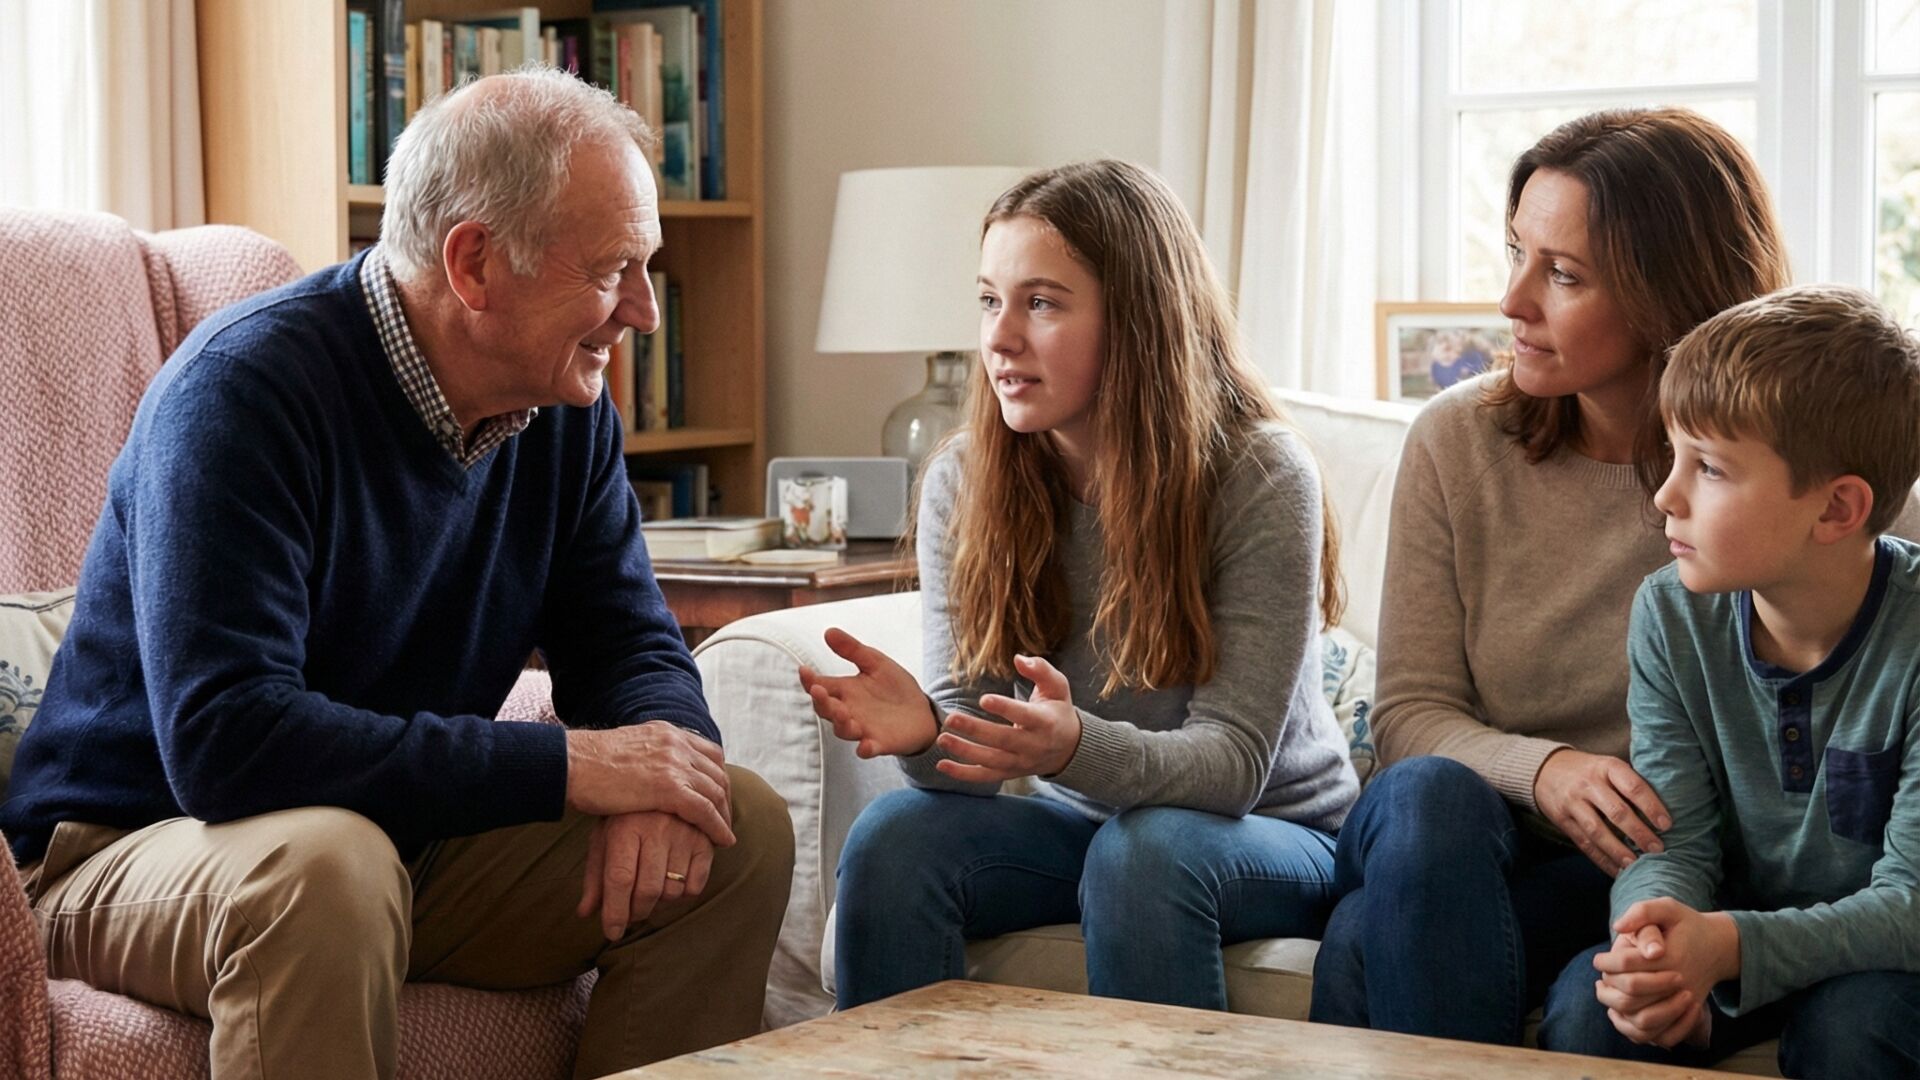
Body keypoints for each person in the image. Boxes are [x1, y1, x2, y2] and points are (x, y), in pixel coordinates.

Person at [0, 69, 793, 1080]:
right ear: (473, 264)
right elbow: (227, 743)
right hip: (131, 846)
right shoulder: (244, 394)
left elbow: (627, 640)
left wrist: (665, 765)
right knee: (328, 868)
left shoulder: (568, 413)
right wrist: (577, 767)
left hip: (388, 837)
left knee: (735, 831)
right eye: (612, 269)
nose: (640, 310)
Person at [799, 159, 1360, 1012]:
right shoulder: (967, 478)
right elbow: (975, 753)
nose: (999, 338)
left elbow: (1234, 766)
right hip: (1088, 826)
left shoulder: (1258, 473)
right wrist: (928, 735)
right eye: (990, 299)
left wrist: (1071, 747)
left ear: (1136, 321)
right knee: (894, 837)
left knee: (1147, 851)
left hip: (1273, 835)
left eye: (1043, 303)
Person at [1308, 108, 1798, 1043]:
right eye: (1517, 253)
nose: (1512, 302)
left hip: (1660, 869)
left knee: (1369, 940)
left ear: (1672, 295)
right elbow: (1409, 715)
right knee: (1425, 799)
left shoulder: (1779, 476)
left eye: (1563, 274)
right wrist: (1549, 772)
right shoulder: (1457, 441)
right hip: (1456, 844)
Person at [1536, 285, 1920, 1077]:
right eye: (1675, 456)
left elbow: (1911, 906)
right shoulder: (1670, 615)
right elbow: (1673, 838)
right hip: (1732, 933)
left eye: (1708, 468)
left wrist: (1732, 947)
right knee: (1591, 1007)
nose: (1665, 495)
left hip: (1883, 957)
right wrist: (1649, 938)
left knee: (1853, 1029)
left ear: (1837, 508)